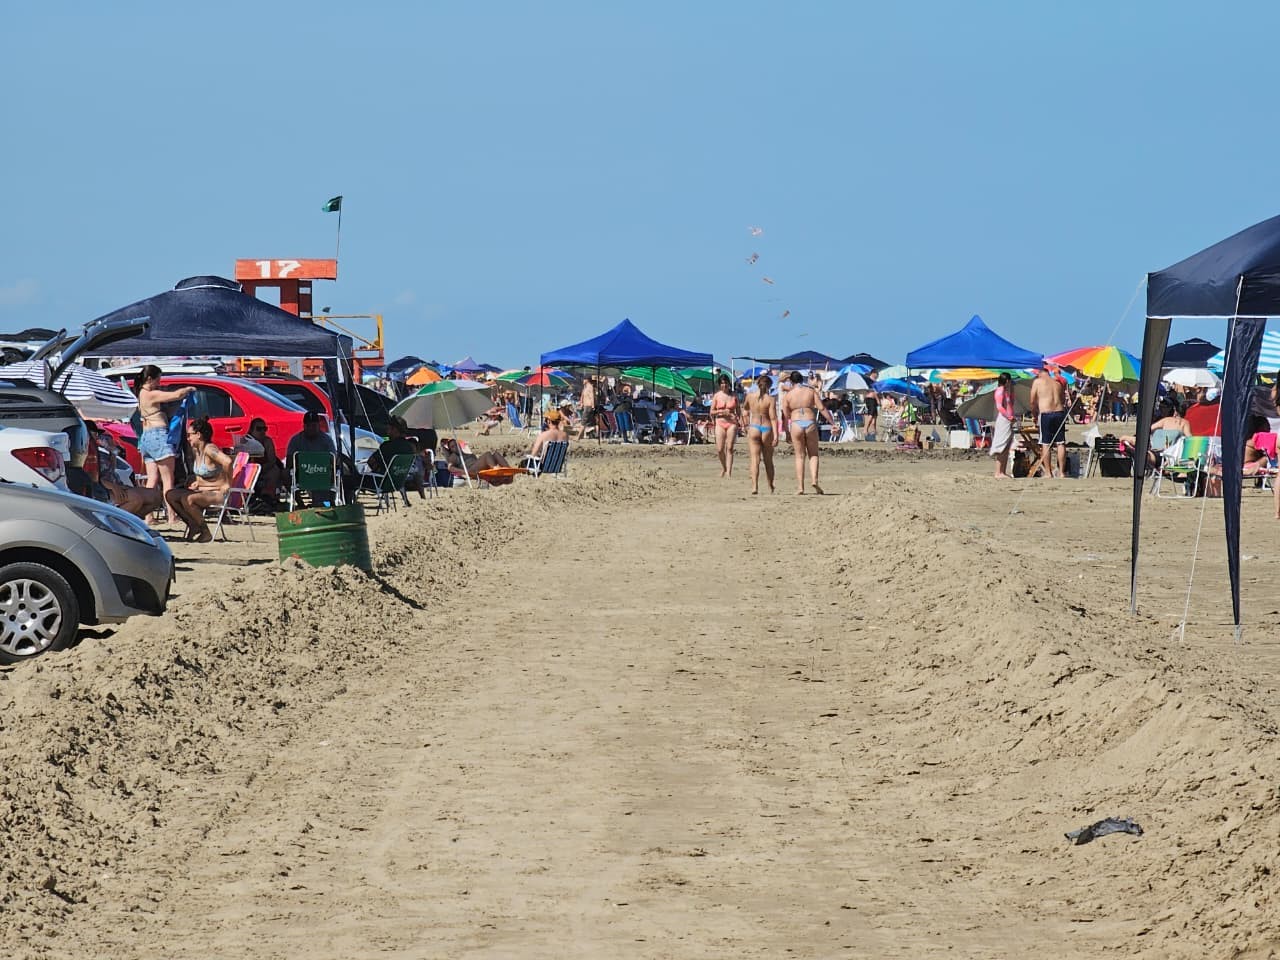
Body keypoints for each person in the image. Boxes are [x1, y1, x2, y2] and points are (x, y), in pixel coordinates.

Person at [134, 364, 196, 525]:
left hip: (147, 438)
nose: (159, 383)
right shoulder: (150, 394)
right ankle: (172, 516)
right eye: (158, 379)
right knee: (168, 479)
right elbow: (175, 395)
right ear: (150, 379)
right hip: (158, 436)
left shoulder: (140, 394)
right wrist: (188, 389)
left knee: (152, 479)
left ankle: (148, 516)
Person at [165, 417, 231, 542]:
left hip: (217, 493)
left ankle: (205, 531)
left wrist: (228, 483)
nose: (188, 438)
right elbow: (205, 472)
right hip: (202, 491)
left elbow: (227, 462)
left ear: (199, 435)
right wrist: (198, 482)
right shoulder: (197, 450)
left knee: (188, 498)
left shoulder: (210, 449)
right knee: (170, 494)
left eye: (190, 435)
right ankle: (192, 524)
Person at [781, 370, 834, 494]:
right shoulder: (811, 391)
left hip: (796, 423)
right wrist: (832, 423)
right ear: (802, 380)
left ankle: (800, 487)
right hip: (810, 422)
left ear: (791, 381)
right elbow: (822, 408)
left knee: (799, 456)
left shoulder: (788, 396)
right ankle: (814, 480)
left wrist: (787, 431)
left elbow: (785, 415)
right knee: (813, 454)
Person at [368, 416, 427, 500]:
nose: (386, 431)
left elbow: (370, 462)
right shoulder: (410, 447)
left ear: (395, 430)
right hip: (400, 481)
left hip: (381, 483)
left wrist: (376, 469)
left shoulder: (387, 446)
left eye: (388, 428)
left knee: (350, 481)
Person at [1029, 366, 1068, 478]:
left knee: (1046, 443)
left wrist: (1034, 414)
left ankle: (1048, 472)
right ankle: (1061, 472)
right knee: (1061, 442)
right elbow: (1062, 399)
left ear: (1040, 373)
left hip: (1046, 413)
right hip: (1059, 412)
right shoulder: (1057, 383)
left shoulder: (1038, 382)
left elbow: (1032, 401)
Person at [743, 373, 778, 495]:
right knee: (768, 460)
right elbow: (773, 418)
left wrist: (745, 424)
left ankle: (754, 486)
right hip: (766, 427)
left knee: (754, 459)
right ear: (769, 386)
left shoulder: (750, 396)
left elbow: (745, 410)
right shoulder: (771, 399)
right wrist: (777, 435)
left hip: (754, 427)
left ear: (758, 385)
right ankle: (770, 485)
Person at [709, 374, 741, 477]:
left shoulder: (734, 395)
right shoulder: (717, 396)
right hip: (720, 422)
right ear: (719, 385)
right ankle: (724, 467)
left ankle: (729, 472)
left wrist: (738, 419)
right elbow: (712, 412)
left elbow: (738, 410)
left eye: (726, 383)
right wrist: (722, 411)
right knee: (719, 449)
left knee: (730, 447)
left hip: (732, 423)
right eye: (722, 383)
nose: (724, 385)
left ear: (729, 383)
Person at [989, 372, 1018, 478]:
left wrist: (1012, 391)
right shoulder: (1000, 391)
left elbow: (1011, 403)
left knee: (1006, 446)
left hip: (1008, 420)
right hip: (1003, 419)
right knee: (1001, 445)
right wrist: (1008, 416)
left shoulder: (1006, 391)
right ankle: (998, 472)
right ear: (1007, 381)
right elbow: (1000, 407)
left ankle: (1003, 471)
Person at [439, 438, 511, 479]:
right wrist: (465, 472)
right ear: (451, 450)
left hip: (478, 467)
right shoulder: (454, 456)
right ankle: (496, 469)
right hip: (472, 470)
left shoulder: (466, 454)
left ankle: (508, 469)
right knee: (487, 454)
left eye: (456, 445)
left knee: (496, 454)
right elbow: (450, 467)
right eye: (452, 446)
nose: (455, 447)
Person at [862, 373, 879, 441]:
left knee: (874, 417)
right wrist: (878, 399)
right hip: (872, 399)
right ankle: (865, 429)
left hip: (869, 399)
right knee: (871, 415)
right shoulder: (871, 381)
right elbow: (874, 392)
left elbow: (865, 391)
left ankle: (874, 431)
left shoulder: (867, 382)